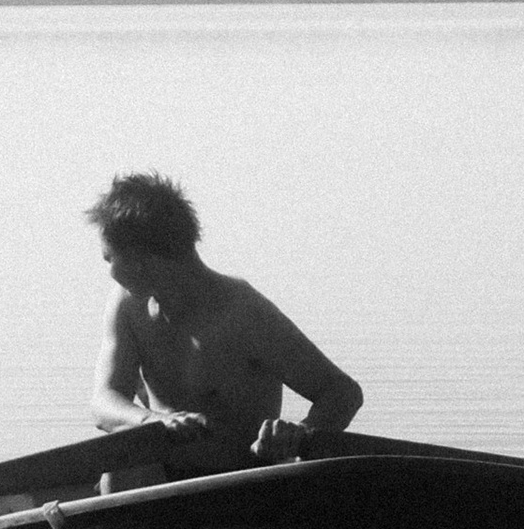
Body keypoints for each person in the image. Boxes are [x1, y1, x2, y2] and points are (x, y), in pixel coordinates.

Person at [87, 173, 364, 465]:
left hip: (240, 484)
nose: (110, 273)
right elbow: (104, 402)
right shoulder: (128, 305)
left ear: (139, 259)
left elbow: (342, 392)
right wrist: (150, 420)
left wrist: (302, 433)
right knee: (120, 462)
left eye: (109, 259)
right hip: (164, 484)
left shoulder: (242, 313)